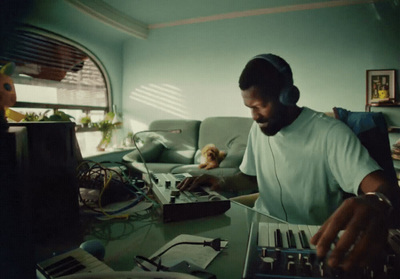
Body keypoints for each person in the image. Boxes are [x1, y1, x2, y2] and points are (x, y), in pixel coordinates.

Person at [177, 53, 400, 271]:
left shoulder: (331, 133)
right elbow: (249, 177)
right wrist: (221, 182)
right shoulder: (258, 129)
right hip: (257, 230)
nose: (255, 116)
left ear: (288, 96)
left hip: (310, 242)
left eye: (260, 106)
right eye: (250, 108)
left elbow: (380, 185)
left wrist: (378, 201)